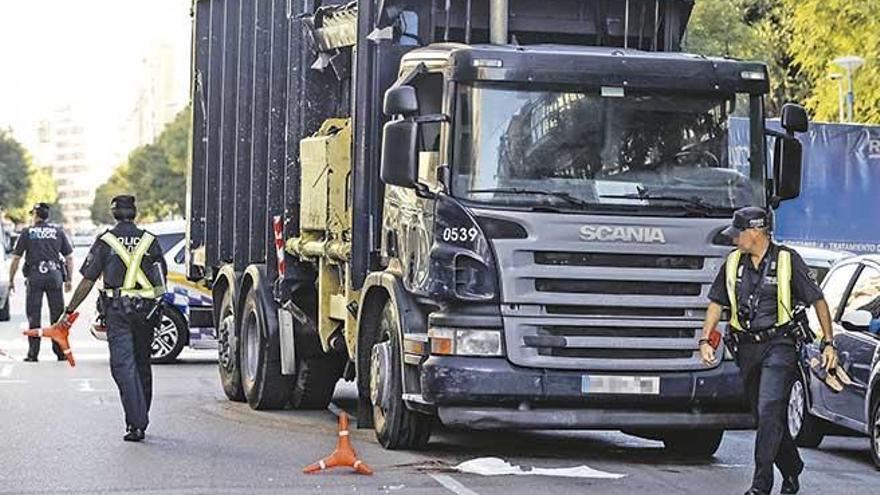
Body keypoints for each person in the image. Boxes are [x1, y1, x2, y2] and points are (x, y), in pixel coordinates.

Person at [699, 207, 838, 495]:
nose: (735, 240)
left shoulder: (788, 260)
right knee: (766, 418)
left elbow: (818, 301)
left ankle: (760, 485)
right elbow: (716, 303)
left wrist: (828, 342)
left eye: (739, 234)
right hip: (747, 348)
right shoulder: (733, 262)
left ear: (755, 232)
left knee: (769, 409)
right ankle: (792, 467)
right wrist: (705, 340)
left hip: (780, 346)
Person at [62, 195, 166, 442]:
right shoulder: (150, 241)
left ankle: (136, 423)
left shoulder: (105, 241)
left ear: (114, 213)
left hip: (118, 311)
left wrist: (69, 310)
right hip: (146, 311)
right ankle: (141, 417)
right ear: (135, 212)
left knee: (123, 366)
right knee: (142, 364)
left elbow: (88, 280)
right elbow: (161, 280)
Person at [7, 203, 74, 362]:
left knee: (33, 316)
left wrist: (11, 280)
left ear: (35, 215)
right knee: (57, 316)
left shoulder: (27, 232)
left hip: (35, 276)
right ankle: (60, 352)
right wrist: (68, 279)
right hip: (54, 276)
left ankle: (33, 354)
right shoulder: (58, 232)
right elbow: (69, 257)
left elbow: (16, 258)